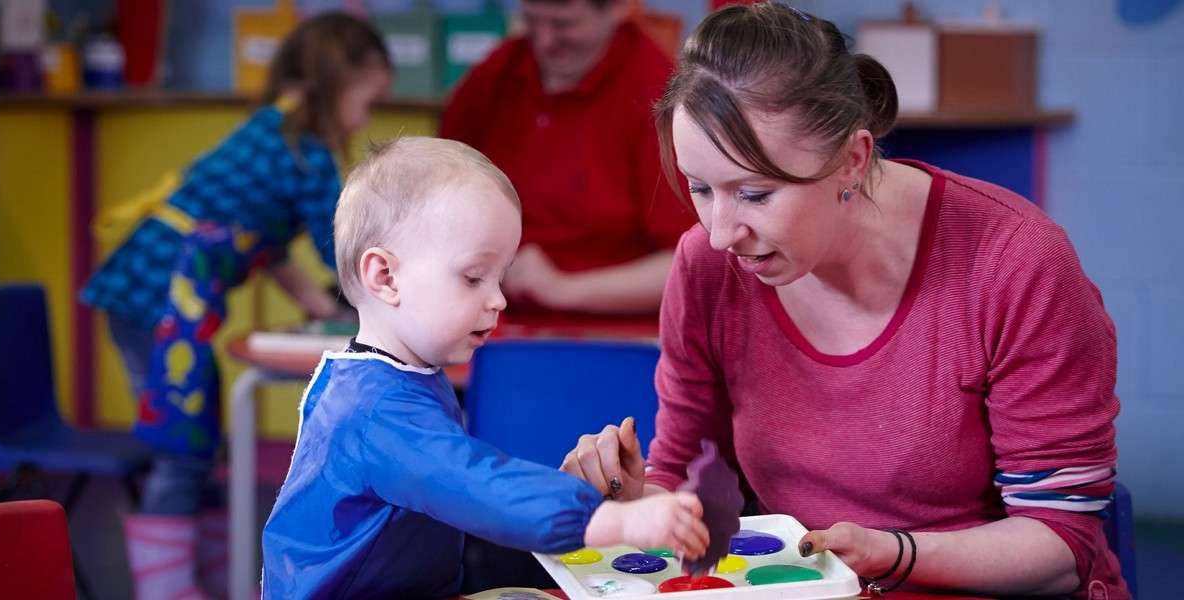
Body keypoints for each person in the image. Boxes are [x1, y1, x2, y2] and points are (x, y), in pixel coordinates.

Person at [560, 4, 1128, 599]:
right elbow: (687, 485)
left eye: (754, 193)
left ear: (853, 160)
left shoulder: (1015, 262)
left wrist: (893, 554)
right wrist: (630, 500)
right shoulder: (706, 264)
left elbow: (1062, 545)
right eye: (701, 188)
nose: (722, 231)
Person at [260, 137, 708, 599]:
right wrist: (611, 520)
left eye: (500, 276)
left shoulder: (393, 377)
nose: (498, 299)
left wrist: (563, 494)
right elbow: (472, 482)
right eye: (474, 277)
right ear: (385, 277)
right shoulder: (376, 408)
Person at [79, 14, 392, 599]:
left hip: (156, 296)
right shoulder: (303, 150)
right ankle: (167, 590)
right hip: (156, 296)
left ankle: (217, 580)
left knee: (198, 440)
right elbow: (342, 247)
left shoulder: (273, 134)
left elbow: (267, 244)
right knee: (182, 445)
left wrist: (321, 300)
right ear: (337, 82)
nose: (367, 117)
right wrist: (380, 296)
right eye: (367, 101)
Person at [440, 0, 695, 322]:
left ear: (617, 9)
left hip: (609, 337)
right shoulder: (497, 73)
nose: (544, 41)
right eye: (532, 21)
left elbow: (693, 262)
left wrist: (561, 288)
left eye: (564, 25)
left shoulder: (659, 95)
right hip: (487, 325)